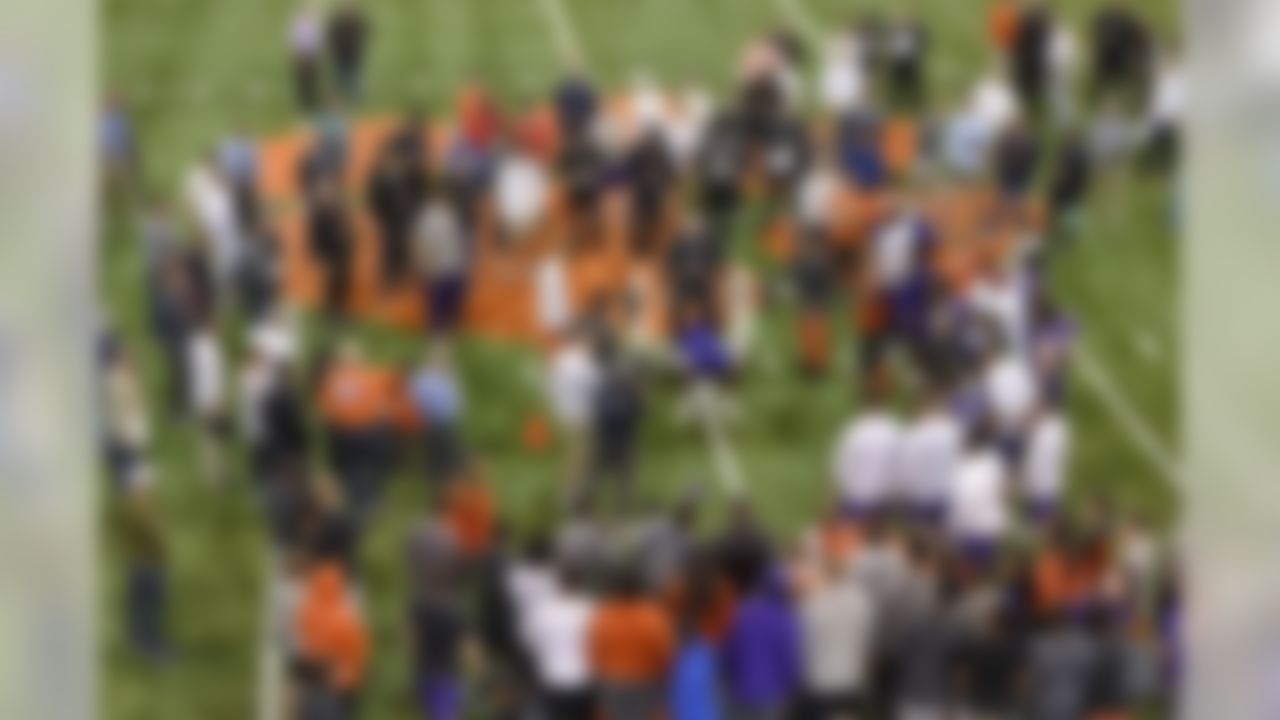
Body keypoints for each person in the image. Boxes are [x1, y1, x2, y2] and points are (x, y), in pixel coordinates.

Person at [589, 566, 676, 720]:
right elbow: (665, 654)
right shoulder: (653, 617)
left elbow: (595, 652)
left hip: (613, 682)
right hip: (645, 682)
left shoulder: (603, 616)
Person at [798, 548, 876, 719]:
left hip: (820, 681)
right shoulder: (861, 602)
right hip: (850, 680)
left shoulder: (812, 604)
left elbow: (803, 644)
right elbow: (867, 642)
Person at [720, 568, 803, 720]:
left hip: (740, 691)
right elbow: (789, 659)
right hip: (772, 694)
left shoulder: (742, 612)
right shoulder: (785, 619)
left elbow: (729, 652)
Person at [294, 562, 370, 719]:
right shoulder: (345, 619)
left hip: (313, 679)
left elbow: (302, 644)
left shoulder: (306, 613)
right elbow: (358, 652)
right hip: (340, 683)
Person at [524, 565, 597, 720]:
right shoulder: (592, 610)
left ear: (558, 584)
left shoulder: (542, 611)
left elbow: (530, 645)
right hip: (584, 681)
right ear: (581, 583)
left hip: (552, 679)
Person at [583, 334, 645, 510]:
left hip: (605, 421)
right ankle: (623, 500)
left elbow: (595, 397)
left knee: (599, 462)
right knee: (625, 463)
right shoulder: (626, 368)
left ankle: (588, 496)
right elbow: (637, 396)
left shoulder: (598, 369)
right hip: (624, 421)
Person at [830, 388, 905, 519]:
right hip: (882, 503)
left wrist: (831, 506)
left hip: (854, 501)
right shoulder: (895, 430)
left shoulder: (853, 430)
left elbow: (839, 470)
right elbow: (900, 471)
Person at [547, 325, 602, 499]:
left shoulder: (561, 360)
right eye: (590, 341)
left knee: (566, 456)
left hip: (561, 414)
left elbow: (550, 388)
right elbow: (596, 386)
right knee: (579, 457)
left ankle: (566, 491)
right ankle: (571, 494)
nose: (593, 345)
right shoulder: (582, 363)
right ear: (581, 340)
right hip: (579, 417)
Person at [946, 423, 1011, 569]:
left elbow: (956, 502)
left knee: (969, 572)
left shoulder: (960, 468)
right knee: (984, 570)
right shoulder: (994, 463)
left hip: (969, 530)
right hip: (985, 529)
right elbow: (1006, 492)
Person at [898, 382, 964, 524]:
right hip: (944, 497)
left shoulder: (914, 433)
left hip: (919, 498)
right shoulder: (953, 432)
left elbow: (906, 470)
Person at [414, 185, 471, 335]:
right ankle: (438, 335)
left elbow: (461, 241)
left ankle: (445, 331)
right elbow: (423, 244)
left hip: (453, 268)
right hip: (440, 270)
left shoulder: (452, 215)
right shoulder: (429, 219)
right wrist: (426, 266)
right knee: (438, 309)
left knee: (449, 307)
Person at [410, 343, 466, 487]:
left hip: (451, 425)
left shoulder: (452, 378)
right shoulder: (425, 378)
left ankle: (450, 483)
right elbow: (418, 402)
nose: (444, 360)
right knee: (439, 456)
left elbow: (459, 403)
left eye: (446, 358)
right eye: (439, 357)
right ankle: (438, 482)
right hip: (431, 424)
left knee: (454, 456)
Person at [306, 173, 354, 317]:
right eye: (325, 191)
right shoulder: (318, 215)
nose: (328, 193)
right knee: (332, 283)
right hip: (329, 253)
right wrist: (321, 257)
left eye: (330, 190)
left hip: (342, 250)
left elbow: (347, 226)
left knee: (342, 280)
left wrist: (348, 237)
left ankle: (338, 307)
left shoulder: (339, 208)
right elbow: (315, 239)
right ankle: (332, 311)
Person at [884, 10, 929, 112]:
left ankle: (916, 102)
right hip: (897, 61)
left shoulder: (915, 31)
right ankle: (892, 102)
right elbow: (887, 41)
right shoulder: (893, 31)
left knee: (913, 84)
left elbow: (923, 42)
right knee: (894, 83)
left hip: (910, 62)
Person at [326, 0, 370, 105]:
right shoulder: (337, 22)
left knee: (353, 76)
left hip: (354, 54)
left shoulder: (357, 22)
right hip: (340, 54)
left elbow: (364, 33)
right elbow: (332, 37)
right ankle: (342, 97)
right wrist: (334, 50)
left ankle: (353, 97)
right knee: (341, 76)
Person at [288, 2, 325, 113]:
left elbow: (319, 42)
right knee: (303, 81)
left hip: (313, 58)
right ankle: (305, 102)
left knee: (312, 81)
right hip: (302, 57)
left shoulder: (314, 25)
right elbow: (294, 43)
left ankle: (312, 101)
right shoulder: (297, 26)